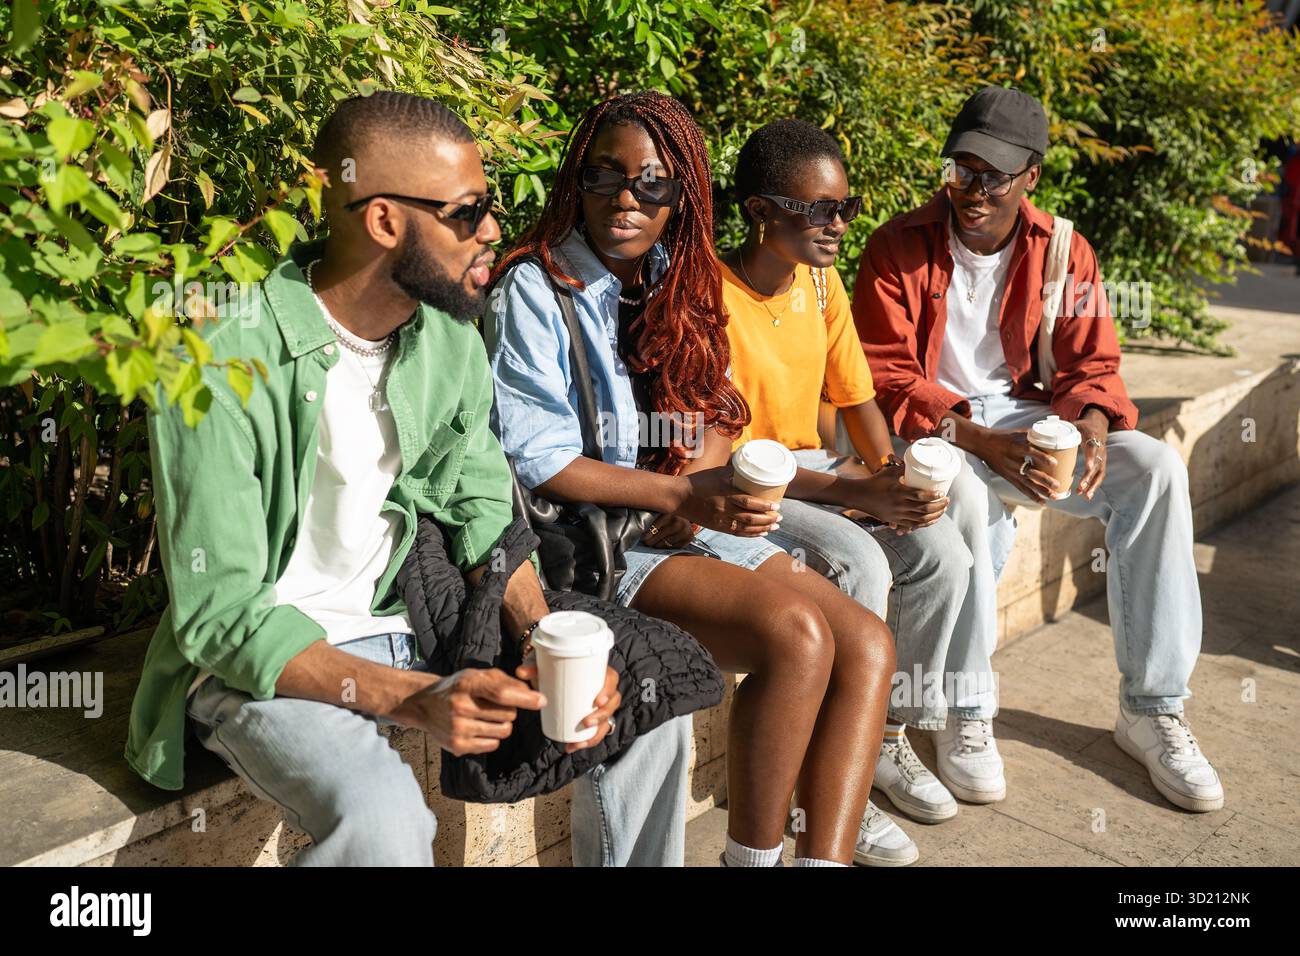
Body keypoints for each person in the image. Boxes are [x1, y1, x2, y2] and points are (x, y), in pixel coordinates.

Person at [124, 90, 696, 867]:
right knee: (384, 818)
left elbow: (485, 505)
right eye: (467, 213)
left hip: (412, 620)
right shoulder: (220, 355)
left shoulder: (446, 338)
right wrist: (416, 702)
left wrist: (539, 636)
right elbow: (220, 614)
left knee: (648, 699)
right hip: (266, 665)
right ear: (385, 220)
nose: (493, 230)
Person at [487, 91, 896, 867]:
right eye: (606, 176)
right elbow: (541, 461)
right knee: (797, 637)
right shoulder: (537, 290)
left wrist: (696, 471)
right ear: (578, 178)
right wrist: (675, 494)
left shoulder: (678, 273)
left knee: (868, 644)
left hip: (680, 515)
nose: (627, 199)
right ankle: (753, 860)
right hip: (600, 544)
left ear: (683, 195)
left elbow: (711, 400)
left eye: (653, 183)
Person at [851, 86, 1223, 812]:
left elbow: (1093, 366)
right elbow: (886, 377)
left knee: (1154, 471)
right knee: (957, 490)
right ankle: (965, 708)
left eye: (992, 174)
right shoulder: (898, 246)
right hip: (939, 429)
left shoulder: (1064, 251)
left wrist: (1089, 422)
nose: (972, 189)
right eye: (961, 169)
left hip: (1031, 424)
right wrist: (981, 440)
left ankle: (1151, 709)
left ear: (1031, 177)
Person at [718, 119, 976, 866]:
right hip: (749, 486)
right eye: (818, 210)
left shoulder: (822, 284)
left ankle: (880, 744)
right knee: (859, 562)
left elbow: (858, 401)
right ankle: (823, 802)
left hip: (817, 469)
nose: (836, 226)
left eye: (845, 208)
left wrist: (891, 473)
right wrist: (847, 492)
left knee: (943, 556)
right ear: (760, 211)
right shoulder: (710, 292)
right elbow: (735, 460)